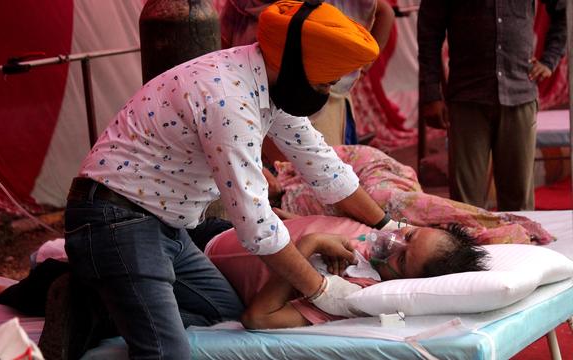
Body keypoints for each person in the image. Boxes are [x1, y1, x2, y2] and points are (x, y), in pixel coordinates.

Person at [63, 1, 391, 358]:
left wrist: (389, 226)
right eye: (324, 83)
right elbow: (256, 225)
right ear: (298, 69)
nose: (325, 93)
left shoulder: (267, 78)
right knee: (167, 353)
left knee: (221, 313)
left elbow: (323, 165)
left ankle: (103, 311)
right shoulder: (229, 99)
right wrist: (323, 292)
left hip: (166, 226)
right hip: (118, 220)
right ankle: (99, 305)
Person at [204, 214, 489, 328]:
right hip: (224, 227)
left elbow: (257, 318)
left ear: (406, 282)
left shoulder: (354, 296)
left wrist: (308, 244)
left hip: (206, 264)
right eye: (409, 234)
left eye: (401, 261)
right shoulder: (367, 233)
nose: (392, 242)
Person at [417, 0, 567, 211]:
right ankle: (470, 245)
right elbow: (428, 35)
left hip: (519, 95)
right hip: (467, 98)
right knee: (465, 204)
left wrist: (549, 61)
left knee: (519, 202)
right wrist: (431, 95)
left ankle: (519, 244)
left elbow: (564, 12)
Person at [267, 144, 556, 245]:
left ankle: (494, 221)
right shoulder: (271, 214)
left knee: (385, 204)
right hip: (354, 209)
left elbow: (332, 166)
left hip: (367, 175)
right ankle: (471, 231)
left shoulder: (286, 170)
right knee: (396, 235)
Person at [220, 0, 395, 146]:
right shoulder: (241, 5)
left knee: (316, 161)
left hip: (321, 106)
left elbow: (384, 12)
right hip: (252, 94)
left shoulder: (322, 11)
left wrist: (361, 68)